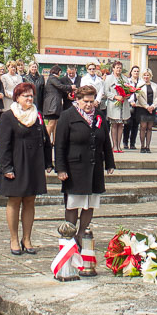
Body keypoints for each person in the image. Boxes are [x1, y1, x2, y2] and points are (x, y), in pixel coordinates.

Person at [0, 82, 53, 254]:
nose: (29, 98)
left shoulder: (38, 115)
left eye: (31, 95)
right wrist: (7, 167)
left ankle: (27, 238)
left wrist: (47, 162)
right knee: (15, 200)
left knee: (30, 200)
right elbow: (4, 144)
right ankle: (14, 239)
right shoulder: (8, 116)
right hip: (16, 162)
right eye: (25, 96)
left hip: (34, 163)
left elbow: (45, 139)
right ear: (17, 98)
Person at [55, 85, 114, 243]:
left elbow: (106, 141)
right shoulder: (67, 116)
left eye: (91, 101)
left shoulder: (99, 116)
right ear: (78, 100)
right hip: (75, 168)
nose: (89, 104)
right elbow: (60, 144)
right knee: (74, 203)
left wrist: (110, 163)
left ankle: (82, 233)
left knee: (90, 203)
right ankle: (70, 234)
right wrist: (60, 169)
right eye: (85, 101)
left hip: (94, 166)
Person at [104, 60, 132, 153]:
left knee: (121, 125)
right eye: (117, 68)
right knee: (114, 125)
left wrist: (127, 95)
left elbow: (128, 89)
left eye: (120, 68)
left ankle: (119, 146)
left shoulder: (125, 78)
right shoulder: (109, 78)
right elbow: (106, 92)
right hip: (113, 104)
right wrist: (115, 96)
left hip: (123, 104)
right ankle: (114, 145)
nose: (119, 69)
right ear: (113, 68)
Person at [43, 64, 67, 144]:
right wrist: (71, 87)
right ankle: (46, 140)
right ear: (58, 72)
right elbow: (60, 86)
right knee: (51, 123)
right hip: (52, 105)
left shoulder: (50, 78)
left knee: (56, 123)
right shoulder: (53, 78)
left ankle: (55, 141)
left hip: (54, 104)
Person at [135, 70, 157, 153]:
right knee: (143, 127)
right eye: (144, 75)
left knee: (149, 127)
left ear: (150, 76)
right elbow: (139, 97)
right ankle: (142, 146)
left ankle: (148, 146)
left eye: (148, 75)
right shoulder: (140, 85)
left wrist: (153, 106)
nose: (146, 77)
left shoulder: (154, 85)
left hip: (152, 108)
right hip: (142, 108)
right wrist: (146, 106)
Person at [123, 64, 141, 149]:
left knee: (135, 125)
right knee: (127, 124)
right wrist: (131, 101)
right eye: (134, 71)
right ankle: (125, 142)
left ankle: (132, 143)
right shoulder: (127, 81)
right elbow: (125, 93)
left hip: (138, 106)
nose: (136, 73)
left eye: (137, 71)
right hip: (129, 105)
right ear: (131, 72)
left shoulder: (141, 82)